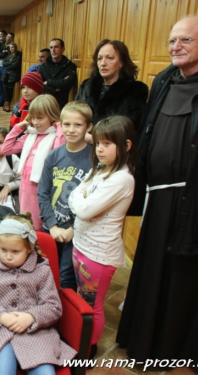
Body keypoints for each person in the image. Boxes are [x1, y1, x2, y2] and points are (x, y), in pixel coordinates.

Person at [117, 16, 198, 363]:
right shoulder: (164, 79)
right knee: (149, 270)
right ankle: (142, 339)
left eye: (185, 41)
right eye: (171, 40)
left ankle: (171, 349)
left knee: (181, 276)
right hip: (158, 195)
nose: (175, 47)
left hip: (191, 201)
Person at [0, 214, 76, 374]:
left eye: (15, 251)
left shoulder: (42, 269)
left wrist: (31, 317)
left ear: (29, 248)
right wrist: (1, 317)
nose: (8, 256)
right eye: (4, 250)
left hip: (35, 335)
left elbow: (53, 306)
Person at [68, 116, 135, 356]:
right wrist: (81, 197)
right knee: (82, 297)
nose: (100, 149)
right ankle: (80, 336)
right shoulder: (101, 170)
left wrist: (80, 198)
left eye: (107, 144)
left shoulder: (122, 179)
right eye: (98, 143)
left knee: (92, 304)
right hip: (82, 244)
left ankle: (88, 348)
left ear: (126, 146)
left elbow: (84, 208)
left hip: (98, 254)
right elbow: (78, 193)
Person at [38, 101, 93, 290]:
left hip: (76, 231)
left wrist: (73, 229)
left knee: (66, 276)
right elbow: (43, 193)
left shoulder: (94, 158)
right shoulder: (54, 155)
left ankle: (66, 317)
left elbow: (95, 202)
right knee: (46, 272)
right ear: (60, 125)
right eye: (67, 124)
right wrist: (52, 225)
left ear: (89, 127)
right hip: (51, 228)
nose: (71, 130)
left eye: (78, 125)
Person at [1, 95, 65, 231]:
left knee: (38, 226)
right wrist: (18, 127)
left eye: (40, 118)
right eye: (33, 117)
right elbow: (6, 149)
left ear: (52, 116)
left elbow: (60, 151)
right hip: (25, 187)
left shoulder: (56, 136)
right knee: (25, 223)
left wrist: (60, 127)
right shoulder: (30, 135)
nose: (35, 122)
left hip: (42, 189)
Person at [75, 39, 149, 132]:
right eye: (99, 58)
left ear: (121, 62)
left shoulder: (135, 91)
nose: (103, 63)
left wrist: (93, 139)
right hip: (82, 144)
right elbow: (74, 115)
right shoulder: (86, 86)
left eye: (110, 58)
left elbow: (129, 128)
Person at [38, 38, 77, 109]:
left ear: (63, 49)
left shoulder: (70, 66)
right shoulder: (43, 67)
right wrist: (55, 89)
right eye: (51, 47)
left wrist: (48, 82)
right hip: (44, 104)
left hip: (60, 105)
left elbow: (67, 84)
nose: (53, 50)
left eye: (56, 47)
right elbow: (38, 85)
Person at [2, 42, 22, 112]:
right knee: (5, 89)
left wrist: (8, 66)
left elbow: (16, 65)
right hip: (5, 74)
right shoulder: (8, 55)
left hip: (13, 75)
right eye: (10, 48)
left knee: (10, 89)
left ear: (15, 47)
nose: (11, 49)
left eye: (12, 47)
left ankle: (8, 104)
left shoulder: (18, 55)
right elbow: (4, 63)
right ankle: (6, 103)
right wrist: (10, 63)